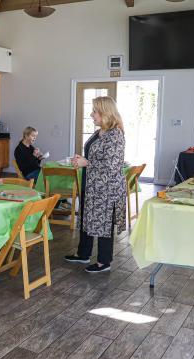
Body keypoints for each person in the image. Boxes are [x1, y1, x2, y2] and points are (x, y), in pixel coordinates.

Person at [64, 96, 126, 273]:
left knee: (104, 224)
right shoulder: (100, 132)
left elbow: (111, 166)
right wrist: (82, 160)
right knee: (86, 218)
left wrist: (87, 163)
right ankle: (83, 254)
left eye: (94, 111)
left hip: (106, 188)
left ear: (105, 113)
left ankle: (103, 262)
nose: (91, 115)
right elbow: (94, 156)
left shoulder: (115, 135)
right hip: (91, 184)